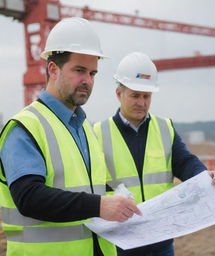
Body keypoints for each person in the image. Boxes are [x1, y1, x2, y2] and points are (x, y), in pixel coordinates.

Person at [0, 18, 141, 256]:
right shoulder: (25, 127)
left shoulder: (83, 127)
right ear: (53, 69)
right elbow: (29, 197)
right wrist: (100, 206)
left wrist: (117, 200)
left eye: (93, 73)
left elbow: (90, 186)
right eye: (79, 70)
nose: (88, 80)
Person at [94, 52, 215, 256]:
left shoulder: (165, 128)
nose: (142, 102)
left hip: (160, 240)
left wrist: (203, 175)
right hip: (120, 241)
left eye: (147, 96)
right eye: (135, 95)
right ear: (119, 94)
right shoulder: (97, 134)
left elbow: (184, 161)